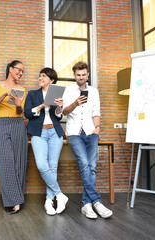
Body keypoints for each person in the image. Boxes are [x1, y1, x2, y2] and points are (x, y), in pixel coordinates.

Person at [62, 61, 113, 219]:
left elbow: (96, 111)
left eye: (84, 74)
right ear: (74, 75)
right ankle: (96, 201)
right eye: (78, 75)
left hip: (91, 131)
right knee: (84, 163)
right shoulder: (69, 90)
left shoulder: (94, 91)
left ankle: (86, 204)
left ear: (88, 74)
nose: (81, 77)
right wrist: (75, 103)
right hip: (74, 133)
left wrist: (97, 127)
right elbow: (64, 112)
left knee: (92, 166)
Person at [24, 67, 69, 216]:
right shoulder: (32, 94)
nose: (40, 78)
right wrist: (42, 106)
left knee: (53, 166)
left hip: (55, 133)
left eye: (43, 76)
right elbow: (27, 113)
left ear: (52, 80)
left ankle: (49, 201)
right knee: (42, 165)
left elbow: (58, 117)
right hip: (39, 132)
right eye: (40, 75)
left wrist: (59, 108)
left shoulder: (56, 95)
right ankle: (60, 194)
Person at [0, 60, 28, 214]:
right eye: (18, 70)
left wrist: (18, 103)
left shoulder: (22, 90)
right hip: (2, 123)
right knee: (5, 162)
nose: (20, 73)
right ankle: (14, 200)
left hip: (18, 124)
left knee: (19, 162)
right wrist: (5, 94)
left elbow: (20, 112)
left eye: (22, 72)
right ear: (10, 69)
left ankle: (16, 201)